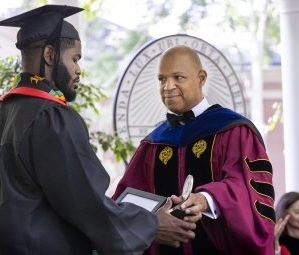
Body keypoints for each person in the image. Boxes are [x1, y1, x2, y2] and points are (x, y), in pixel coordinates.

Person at [0, 5, 197, 255]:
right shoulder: (50, 117)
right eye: (74, 59)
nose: (78, 69)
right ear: (50, 55)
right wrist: (152, 224)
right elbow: (87, 205)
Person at [112, 45, 275, 255]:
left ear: (201, 78)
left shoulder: (235, 131)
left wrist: (206, 200)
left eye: (178, 77)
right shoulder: (153, 144)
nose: (168, 86)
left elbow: (250, 192)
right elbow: (126, 202)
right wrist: (150, 225)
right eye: (162, 79)